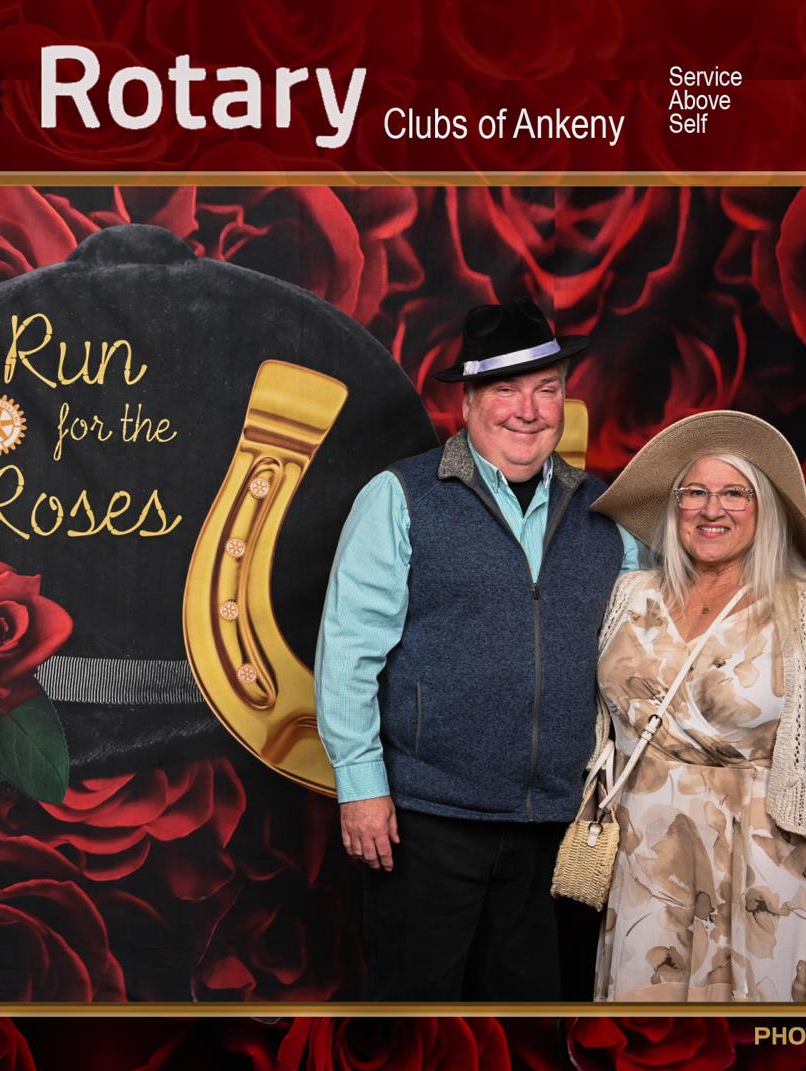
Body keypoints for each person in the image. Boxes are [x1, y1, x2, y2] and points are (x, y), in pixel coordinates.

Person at [314, 299, 641, 1001]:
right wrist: (362, 785)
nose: (528, 410)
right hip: (426, 820)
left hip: (558, 825)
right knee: (415, 1020)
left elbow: (647, 651)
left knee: (532, 1021)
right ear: (466, 403)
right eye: (505, 389)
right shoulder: (401, 497)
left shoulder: (607, 512)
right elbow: (348, 652)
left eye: (546, 389)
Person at [587, 409, 806, 1002]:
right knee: (653, 1025)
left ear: (764, 509)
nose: (711, 509)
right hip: (647, 855)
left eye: (734, 493)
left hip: (771, 865)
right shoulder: (629, 594)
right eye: (695, 492)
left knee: (759, 1028)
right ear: (675, 507)